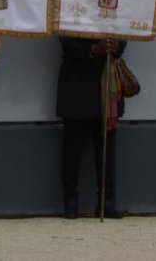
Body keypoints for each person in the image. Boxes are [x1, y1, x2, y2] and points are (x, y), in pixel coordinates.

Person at [57, 35, 127, 219]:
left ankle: (106, 200)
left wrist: (116, 45)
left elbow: (124, 32)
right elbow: (66, 42)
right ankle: (70, 200)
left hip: (105, 87)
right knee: (72, 152)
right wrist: (94, 49)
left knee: (106, 152)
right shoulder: (69, 8)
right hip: (76, 86)